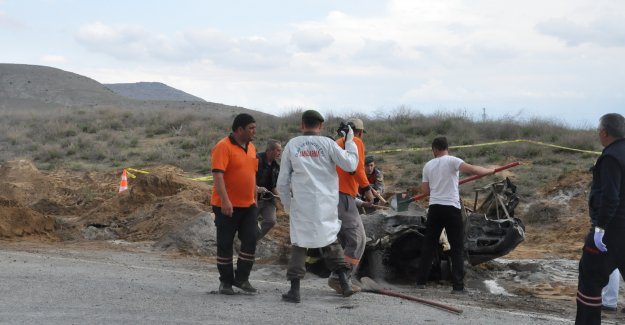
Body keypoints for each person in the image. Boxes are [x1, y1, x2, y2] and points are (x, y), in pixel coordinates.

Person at [277, 109, 360, 303]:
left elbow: (282, 183)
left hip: (301, 204)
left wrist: (289, 206)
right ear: (320, 126)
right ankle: (344, 283)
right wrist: (349, 141)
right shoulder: (329, 144)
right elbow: (350, 165)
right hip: (325, 204)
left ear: (302, 124)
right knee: (330, 241)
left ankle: (295, 290)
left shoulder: (292, 145)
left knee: (299, 244)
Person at [415, 136, 494, 293]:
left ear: (435, 149)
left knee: (429, 246)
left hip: (435, 208)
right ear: (446, 148)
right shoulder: (453, 161)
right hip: (451, 208)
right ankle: (458, 286)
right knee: (457, 247)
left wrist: (438, 186)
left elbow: (425, 191)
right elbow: (474, 170)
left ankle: (420, 282)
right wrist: (490, 171)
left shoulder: (428, 165)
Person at [576, 113, 625, 324]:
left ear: (604, 132)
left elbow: (610, 198)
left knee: (590, 279)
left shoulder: (611, 157)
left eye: (599, 131)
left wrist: (600, 229)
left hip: (611, 231)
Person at [210, 113, 259, 295]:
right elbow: (217, 175)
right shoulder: (222, 147)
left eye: (254, 127)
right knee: (225, 244)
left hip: (249, 205)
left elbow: (252, 176)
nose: (254, 131)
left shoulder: (252, 148)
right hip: (227, 206)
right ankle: (226, 282)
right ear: (239, 129)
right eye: (251, 128)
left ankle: (242, 278)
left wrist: (255, 200)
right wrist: (225, 200)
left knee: (251, 240)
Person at [329, 118, 374, 294]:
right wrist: (367, 189)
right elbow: (357, 169)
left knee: (343, 239)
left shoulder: (336, 143)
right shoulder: (356, 142)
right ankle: (339, 278)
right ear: (360, 132)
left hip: (332, 195)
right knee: (358, 239)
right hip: (343, 196)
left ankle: (341, 278)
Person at [255, 139, 282, 241]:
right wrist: (257, 188)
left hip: (268, 199)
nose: (280, 153)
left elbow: (273, 186)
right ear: (270, 150)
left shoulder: (276, 166)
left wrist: (281, 197)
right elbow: (247, 177)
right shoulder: (256, 159)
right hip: (253, 197)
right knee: (249, 222)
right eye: (278, 150)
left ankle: (254, 239)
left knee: (271, 221)